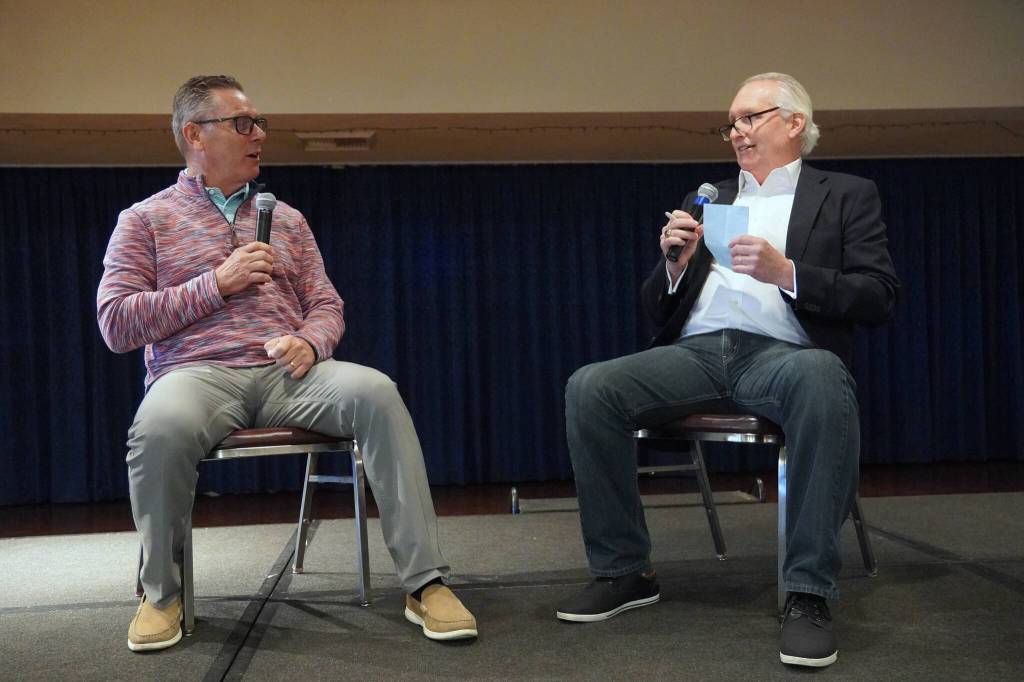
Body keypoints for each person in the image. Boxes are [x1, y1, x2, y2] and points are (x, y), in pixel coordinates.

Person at [97, 75, 477, 652]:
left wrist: (313, 341)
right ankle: (161, 594)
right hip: (196, 375)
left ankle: (426, 582)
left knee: (377, 392)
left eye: (260, 124)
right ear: (194, 134)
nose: (259, 135)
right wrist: (215, 285)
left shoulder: (289, 219)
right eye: (243, 124)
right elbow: (117, 323)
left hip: (290, 373)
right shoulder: (145, 220)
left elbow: (326, 303)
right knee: (159, 428)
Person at [557, 72, 899, 668]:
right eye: (731, 123)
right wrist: (674, 266)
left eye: (750, 118)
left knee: (823, 379)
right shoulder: (710, 195)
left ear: (794, 123)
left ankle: (808, 593)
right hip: (695, 351)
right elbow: (656, 307)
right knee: (591, 386)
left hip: (785, 354)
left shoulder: (845, 193)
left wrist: (786, 272)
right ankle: (625, 572)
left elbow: (878, 296)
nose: (736, 132)